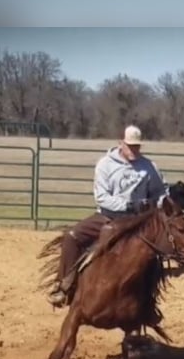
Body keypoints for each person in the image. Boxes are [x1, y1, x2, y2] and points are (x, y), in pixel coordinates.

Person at [46, 124, 170, 307]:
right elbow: (102, 198)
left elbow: (161, 193)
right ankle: (65, 286)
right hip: (107, 217)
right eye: (130, 146)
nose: (134, 150)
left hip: (138, 222)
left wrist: (158, 203)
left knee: (155, 254)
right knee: (71, 237)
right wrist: (129, 205)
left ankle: (147, 304)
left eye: (137, 146)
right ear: (121, 143)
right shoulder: (105, 165)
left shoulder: (149, 167)